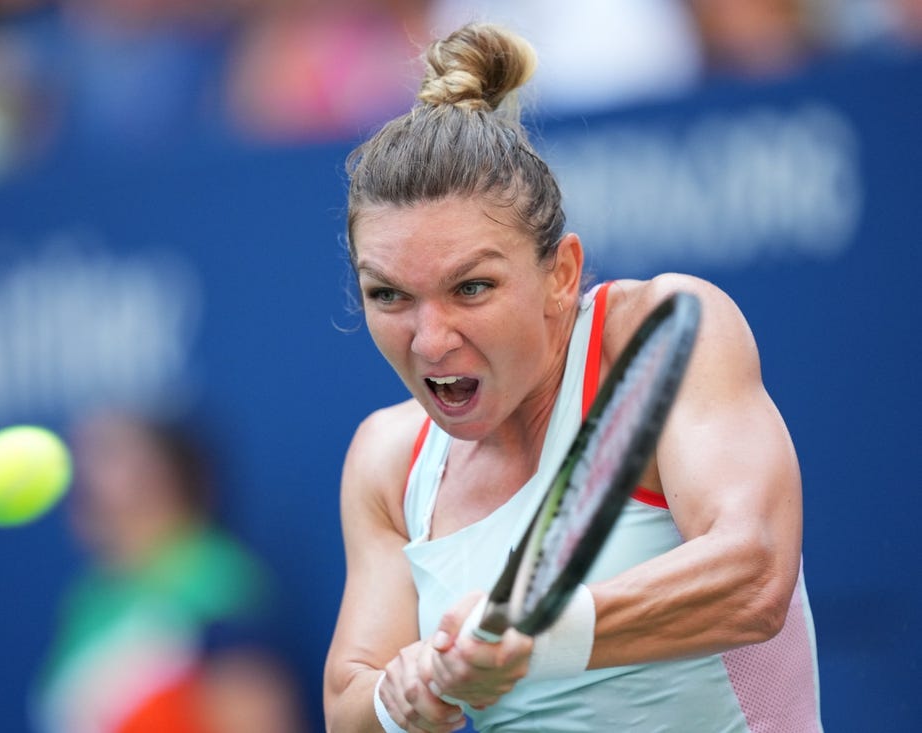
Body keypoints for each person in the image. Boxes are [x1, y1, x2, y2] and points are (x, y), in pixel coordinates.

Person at [323, 22, 821, 733]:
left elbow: (755, 573)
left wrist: (528, 632)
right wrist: (395, 698)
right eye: (389, 295)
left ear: (560, 275)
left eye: (471, 288)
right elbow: (349, 700)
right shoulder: (387, 460)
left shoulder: (660, 337)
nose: (430, 340)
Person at [33, 409, 305, 733]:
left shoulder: (212, 581)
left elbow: (260, 720)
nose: (77, 474)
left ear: (161, 473)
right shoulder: (87, 600)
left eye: (105, 453)